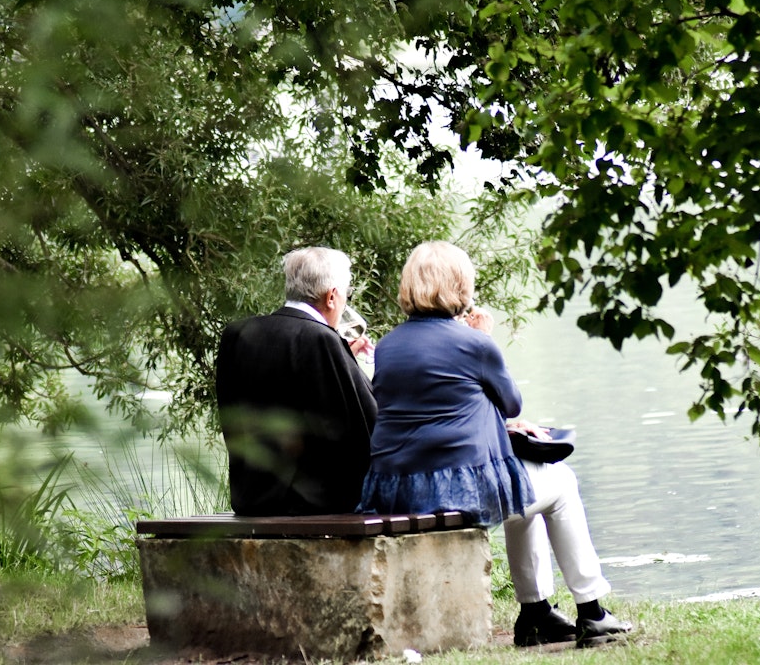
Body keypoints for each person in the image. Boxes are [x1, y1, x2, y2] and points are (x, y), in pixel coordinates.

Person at [357, 241, 632, 648]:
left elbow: (439, 402)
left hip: (397, 487)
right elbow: (511, 402)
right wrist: (484, 338)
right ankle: (591, 610)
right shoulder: (474, 343)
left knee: (528, 493)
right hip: (454, 490)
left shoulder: (389, 346)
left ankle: (536, 612)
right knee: (561, 482)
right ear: (459, 285)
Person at [216, 246, 376, 516]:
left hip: (250, 498)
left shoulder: (237, 334)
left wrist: (343, 354)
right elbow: (365, 423)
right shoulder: (321, 340)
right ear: (333, 297)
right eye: (346, 295)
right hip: (313, 503)